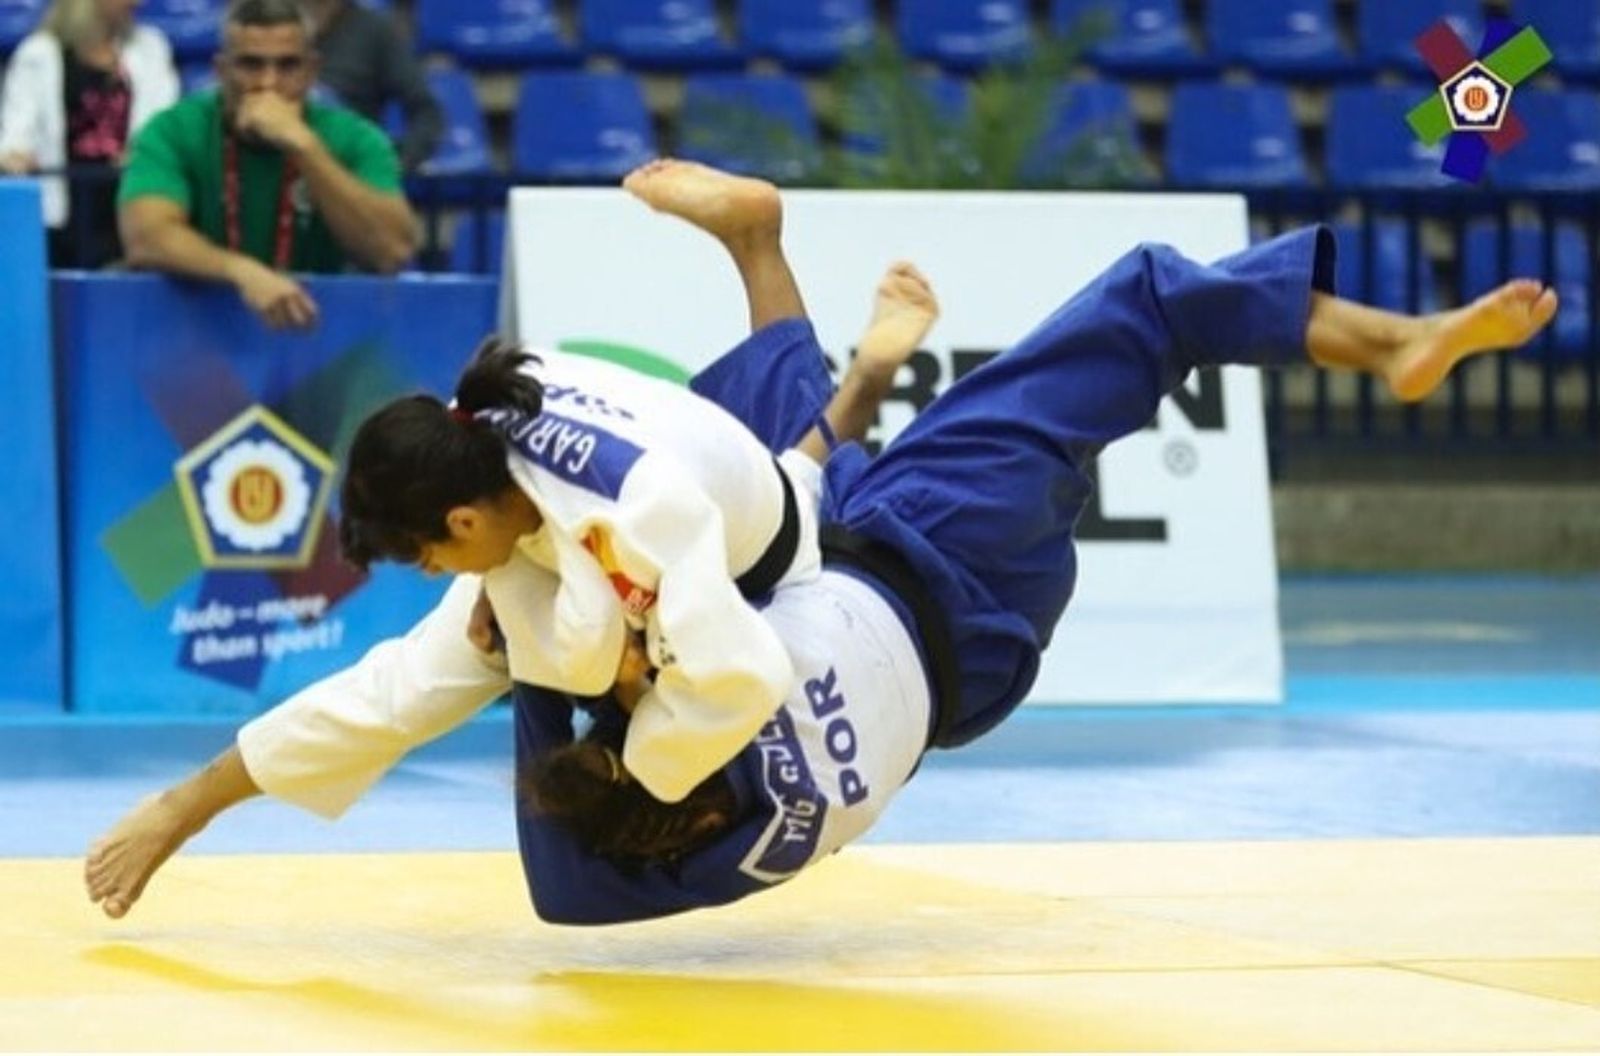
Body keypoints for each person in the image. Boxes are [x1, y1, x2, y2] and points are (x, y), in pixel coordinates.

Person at [85, 161, 1559, 924]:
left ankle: (1398, 342)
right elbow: (388, 698)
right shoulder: (533, 479)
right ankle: (777, 273)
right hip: (843, 538)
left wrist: (626, 750)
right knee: (778, 485)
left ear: (463, 518)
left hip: (924, 588)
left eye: (416, 560)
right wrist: (183, 808)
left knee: (1133, 312)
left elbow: (703, 643)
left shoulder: (614, 549)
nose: (420, 589)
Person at [116, 0, 418, 330]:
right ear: (221, 70)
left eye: (287, 66)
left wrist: (305, 146)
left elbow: (392, 248)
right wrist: (243, 271)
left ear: (311, 71)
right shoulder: (172, 130)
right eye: (250, 65)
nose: (268, 83)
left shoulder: (355, 138)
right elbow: (147, 236)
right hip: (191, 334)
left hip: (316, 332)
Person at [0, 0, 178, 267]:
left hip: (126, 202)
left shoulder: (150, 48)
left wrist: (145, 150)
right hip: (64, 209)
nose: (138, 2)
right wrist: (14, 155)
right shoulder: (39, 54)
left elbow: (165, 123)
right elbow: (15, 131)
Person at [301, 0, 442, 172]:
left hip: (352, 172)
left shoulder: (376, 31)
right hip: (279, 165)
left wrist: (398, 162)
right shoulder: (269, 28)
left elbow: (426, 111)